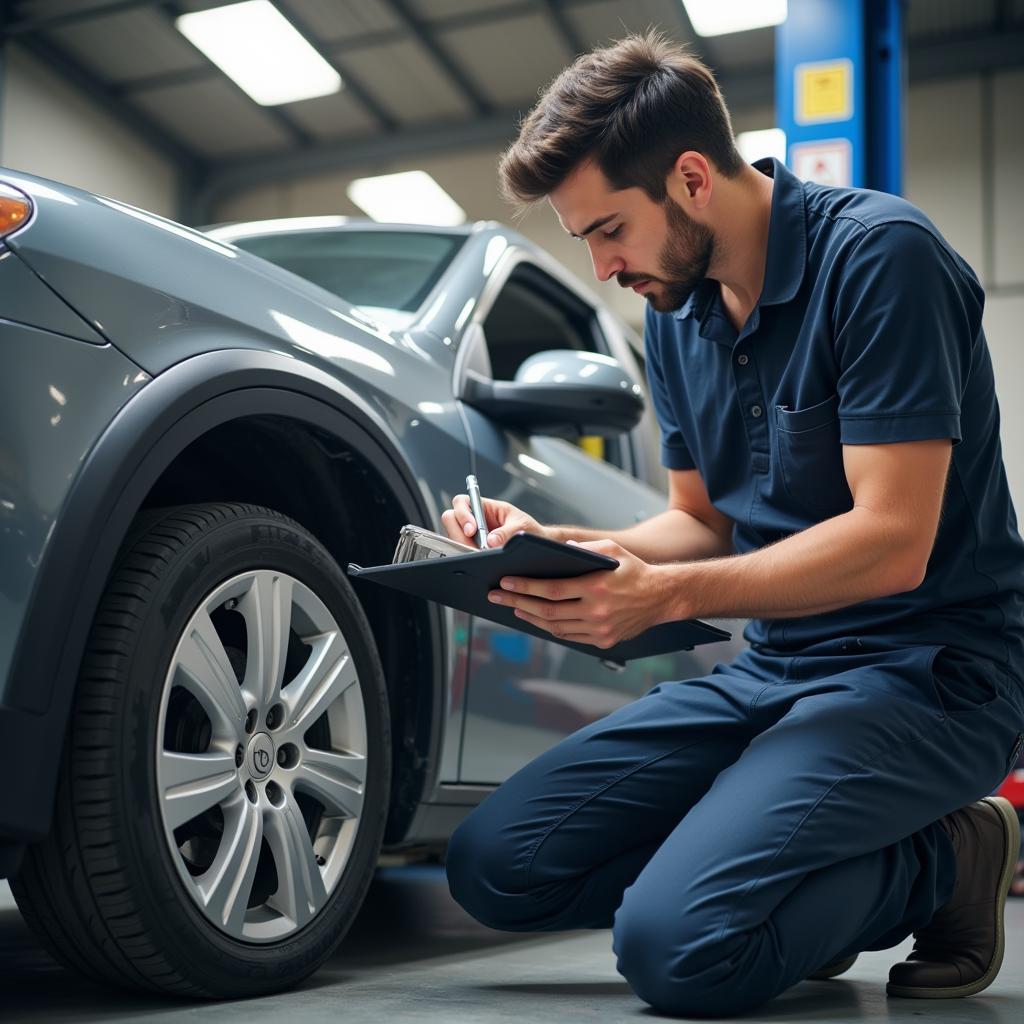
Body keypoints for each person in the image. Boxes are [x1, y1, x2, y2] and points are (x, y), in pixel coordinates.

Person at [439, 31, 1024, 1019]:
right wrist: (575, 545)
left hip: (930, 670)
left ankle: (942, 856)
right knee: (495, 866)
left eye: (609, 229)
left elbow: (893, 538)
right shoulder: (674, 315)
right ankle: (770, 880)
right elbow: (697, 522)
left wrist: (664, 594)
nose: (603, 264)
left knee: (679, 954)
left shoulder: (882, 259)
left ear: (693, 177)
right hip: (776, 670)